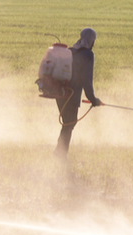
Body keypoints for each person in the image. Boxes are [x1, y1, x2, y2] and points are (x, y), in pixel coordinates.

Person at [55, 28, 102, 159]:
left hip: (60, 93)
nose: (93, 44)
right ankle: (60, 154)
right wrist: (93, 99)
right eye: (94, 41)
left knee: (68, 123)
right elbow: (86, 81)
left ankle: (59, 152)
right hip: (71, 95)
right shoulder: (88, 55)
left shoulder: (70, 50)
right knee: (69, 124)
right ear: (91, 41)